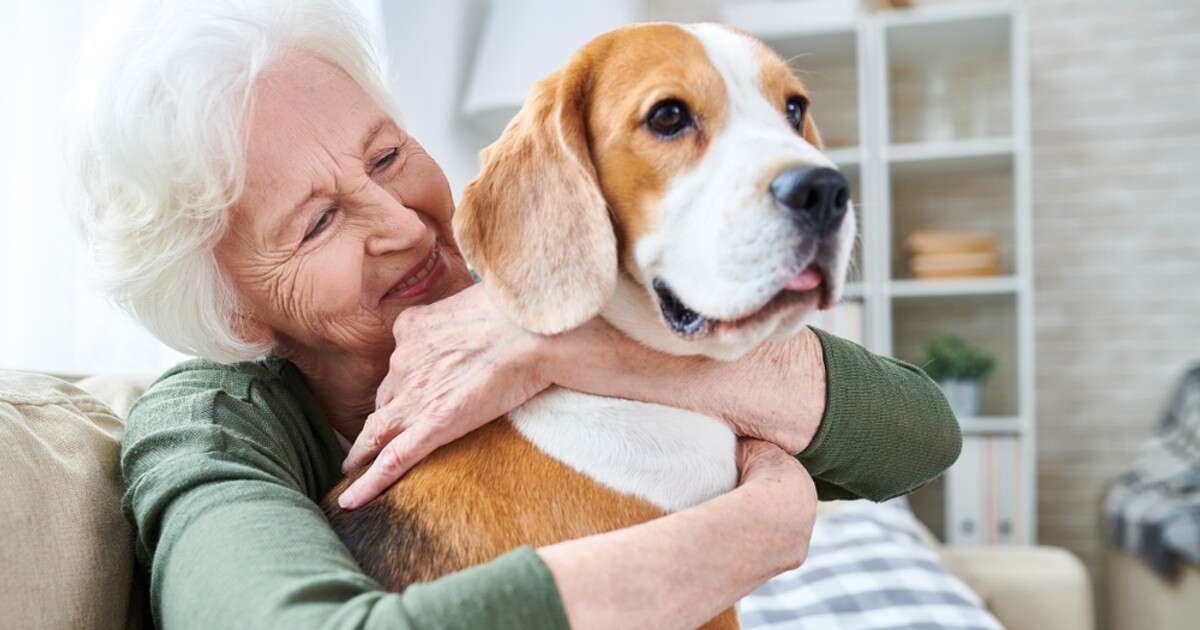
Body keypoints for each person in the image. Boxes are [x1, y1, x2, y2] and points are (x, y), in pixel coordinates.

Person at [75, 1, 960, 628]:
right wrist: (751, 532)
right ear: (236, 311)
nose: (399, 223)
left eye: (386, 157)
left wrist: (563, 350)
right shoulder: (206, 425)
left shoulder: (547, 282)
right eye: (316, 222)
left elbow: (919, 437)